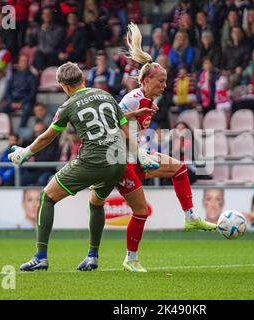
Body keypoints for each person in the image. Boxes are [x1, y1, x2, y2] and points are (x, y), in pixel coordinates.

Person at [85, 23, 217, 273]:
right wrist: (137, 120)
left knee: (180, 169)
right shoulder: (134, 99)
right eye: (161, 81)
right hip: (118, 160)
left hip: (133, 156)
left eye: (166, 80)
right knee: (140, 210)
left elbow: (131, 129)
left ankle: (190, 218)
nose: (164, 85)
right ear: (146, 80)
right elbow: (111, 126)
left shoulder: (149, 100)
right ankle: (128, 259)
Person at [10, 61, 158, 271]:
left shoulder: (69, 105)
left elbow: (47, 137)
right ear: (84, 79)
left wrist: (25, 152)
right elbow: (125, 131)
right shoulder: (106, 96)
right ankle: (92, 256)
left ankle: (40, 256)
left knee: (47, 197)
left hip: (93, 161)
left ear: (64, 86)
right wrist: (140, 154)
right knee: (96, 203)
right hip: (117, 162)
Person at [2, 54, 38, 128]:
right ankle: (9, 129)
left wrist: (22, 103)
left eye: (26, 61)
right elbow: (7, 90)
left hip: (26, 101)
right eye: (22, 61)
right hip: (13, 100)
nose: (24, 63)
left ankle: (21, 128)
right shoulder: (14, 75)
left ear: (28, 63)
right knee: (3, 109)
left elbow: (33, 93)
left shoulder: (32, 76)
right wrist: (12, 102)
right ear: (19, 62)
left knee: (27, 108)